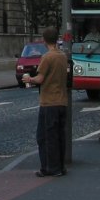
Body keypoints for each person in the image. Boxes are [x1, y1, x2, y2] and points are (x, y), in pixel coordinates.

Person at [23, 25, 68, 177]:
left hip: (49, 102)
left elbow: (40, 78)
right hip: (62, 101)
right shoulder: (62, 56)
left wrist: (29, 79)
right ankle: (60, 167)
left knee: (45, 137)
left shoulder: (47, 58)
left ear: (44, 40)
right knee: (59, 136)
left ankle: (49, 168)